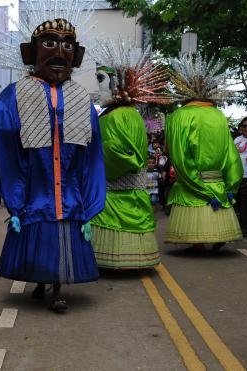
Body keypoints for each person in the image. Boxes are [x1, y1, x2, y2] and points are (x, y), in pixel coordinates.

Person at [0, 17, 105, 311]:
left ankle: (56, 289)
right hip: (34, 190)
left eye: (68, 45)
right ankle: (40, 281)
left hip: (69, 193)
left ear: (77, 56)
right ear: (31, 52)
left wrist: (89, 198)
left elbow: (92, 153)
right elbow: (2, 142)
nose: (60, 53)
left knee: (61, 240)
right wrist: (16, 198)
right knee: (39, 237)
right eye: (50, 44)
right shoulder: (13, 95)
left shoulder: (80, 97)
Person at [87, 44, 171, 269]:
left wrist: (94, 161)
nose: (99, 88)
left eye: (102, 81)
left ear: (116, 85)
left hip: (115, 185)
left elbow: (122, 153)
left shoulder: (117, 116)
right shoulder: (128, 114)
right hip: (127, 187)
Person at [164, 54, 243, 250]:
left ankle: (197, 243)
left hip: (193, 182)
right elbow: (231, 155)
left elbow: (180, 157)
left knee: (196, 215)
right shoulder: (218, 115)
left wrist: (199, 187)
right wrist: (231, 187)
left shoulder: (178, 117)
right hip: (217, 182)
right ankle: (215, 236)